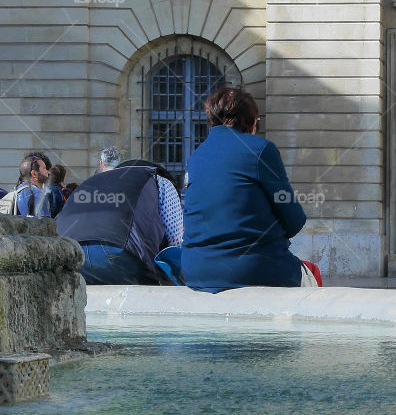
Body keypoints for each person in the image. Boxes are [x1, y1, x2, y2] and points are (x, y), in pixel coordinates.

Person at [180, 86, 319, 292]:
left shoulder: (195, 158)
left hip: (196, 271)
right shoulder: (261, 150)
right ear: (251, 122)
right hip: (252, 268)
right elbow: (294, 220)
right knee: (311, 278)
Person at [56, 152, 180, 284]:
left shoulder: (94, 180)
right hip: (120, 252)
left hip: (69, 253)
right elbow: (174, 238)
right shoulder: (159, 179)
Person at [9, 153, 64, 218]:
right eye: (44, 168)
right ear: (34, 174)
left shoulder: (16, 190)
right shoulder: (37, 194)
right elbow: (45, 225)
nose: (48, 172)